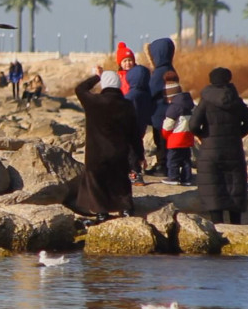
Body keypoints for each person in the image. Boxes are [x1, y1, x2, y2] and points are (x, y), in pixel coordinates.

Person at [73, 66, 146, 220]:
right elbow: (135, 134)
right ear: (119, 85)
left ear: (104, 85)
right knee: (121, 182)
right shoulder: (127, 105)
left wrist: (97, 76)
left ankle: (101, 213)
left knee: (96, 181)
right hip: (119, 153)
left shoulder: (94, 102)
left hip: (96, 154)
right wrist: (139, 155)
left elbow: (80, 89)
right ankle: (126, 209)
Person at [188, 67, 248, 224]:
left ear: (211, 80)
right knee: (235, 185)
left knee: (213, 186)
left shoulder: (205, 100)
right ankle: (236, 225)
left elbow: (192, 125)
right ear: (228, 79)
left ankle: (218, 226)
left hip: (210, 150)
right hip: (233, 149)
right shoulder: (235, 99)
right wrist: (237, 134)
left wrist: (202, 136)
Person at [147, 38, 178, 176]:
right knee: (167, 143)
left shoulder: (160, 72)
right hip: (170, 113)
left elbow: (151, 90)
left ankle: (162, 166)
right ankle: (167, 165)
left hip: (160, 115)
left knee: (160, 142)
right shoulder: (170, 69)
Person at [123, 53, 153, 186]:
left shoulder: (130, 95)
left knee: (130, 151)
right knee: (137, 147)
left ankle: (134, 173)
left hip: (130, 127)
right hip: (142, 125)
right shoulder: (147, 93)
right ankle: (136, 171)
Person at [161, 75, 195, 186]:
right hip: (188, 137)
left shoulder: (173, 107)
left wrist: (165, 134)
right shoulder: (190, 105)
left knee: (172, 160)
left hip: (175, 139)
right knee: (186, 160)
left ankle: (173, 177)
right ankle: (187, 179)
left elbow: (168, 125)